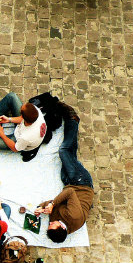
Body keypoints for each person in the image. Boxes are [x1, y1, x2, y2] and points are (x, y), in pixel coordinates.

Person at [34, 102, 94, 243]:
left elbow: (52, 205)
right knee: (64, 151)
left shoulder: (57, 221)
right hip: (81, 184)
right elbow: (69, 193)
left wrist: (41, 207)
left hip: (69, 185)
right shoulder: (73, 217)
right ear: (60, 228)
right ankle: (72, 119)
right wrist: (53, 204)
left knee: (69, 154)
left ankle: (71, 123)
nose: (49, 223)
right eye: (51, 226)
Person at [0, 92, 47, 162]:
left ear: (24, 118)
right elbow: (21, 119)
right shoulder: (36, 111)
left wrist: (1, 134)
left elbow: (15, 148)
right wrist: (9, 120)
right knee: (11, 96)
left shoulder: (25, 137)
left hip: (18, 140)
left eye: (20, 112)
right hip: (22, 128)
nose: (19, 109)